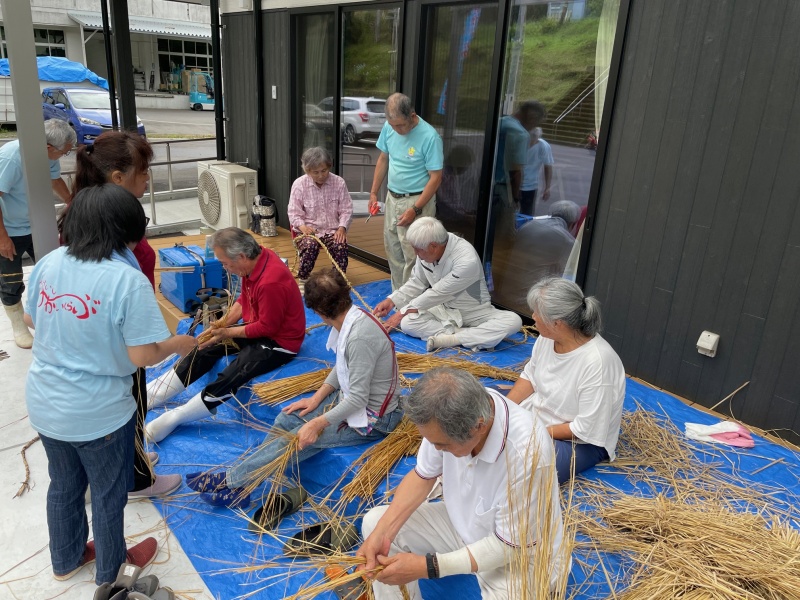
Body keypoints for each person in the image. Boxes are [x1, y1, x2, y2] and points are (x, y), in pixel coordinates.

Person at [23, 184, 197, 584]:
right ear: (126, 231)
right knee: (107, 493)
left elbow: (32, 318)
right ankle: (113, 572)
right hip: (97, 412)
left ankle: (66, 559)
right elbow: (143, 356)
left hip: (46, 403)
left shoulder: (50, 262)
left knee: (63, 485)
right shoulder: (126, 279)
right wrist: (178, 344)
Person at [185, 268, 403, 507]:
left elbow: (358, 400)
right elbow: (343, 365)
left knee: (294, 439)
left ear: (319, 312)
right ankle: (243, 484)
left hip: (374, 418)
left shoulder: (359, 336)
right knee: (286, 419)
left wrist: (317, 423)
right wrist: (316, 399)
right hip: (350, 399)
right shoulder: (350, 318)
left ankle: (232, 481)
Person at [357, 368, 567, 599]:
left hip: (519, 556)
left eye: (442, 445)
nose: (436, 449)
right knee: (375, 522)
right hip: (464, 525)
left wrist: (429, 567)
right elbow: (422, 476)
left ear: (479, 426)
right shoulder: (449, 415)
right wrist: (382, 533)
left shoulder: (528, 451)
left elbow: (510, 547)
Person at [71, 130, 178, 498]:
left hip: (114, 331)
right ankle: (135, 480)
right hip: (116, 337)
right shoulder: (107, 225)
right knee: (128, 404)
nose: (148, 178)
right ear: (118, 177)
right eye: (143, 171)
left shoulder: (93, 213)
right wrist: (173, 343)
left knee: (131, 403)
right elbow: (144, 353)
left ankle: (132, 461)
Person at [145, 227, 306, 442]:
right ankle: (153, 394)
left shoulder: (271, 281)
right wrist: (222, 325)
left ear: (242, 256)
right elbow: (243, 300)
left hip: (278, 342)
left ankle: (177, 416)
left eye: (225, 263)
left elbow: (267, 328)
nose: (224, 268)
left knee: (238, 369)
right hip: (256, 327)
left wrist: (227, 332)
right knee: (205, 347)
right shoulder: (254, 261)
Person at [505, 277, 625, 484]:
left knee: (521, 471)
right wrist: (505, 408)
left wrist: (531, 432)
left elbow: (585, 429)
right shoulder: (548, 338)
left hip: (579, 441)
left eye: (537, 313)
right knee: (481, 405)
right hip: (538, 417)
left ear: (557, 323)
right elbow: (530, 376)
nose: (533, 316)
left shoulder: (597, 362)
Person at [373, 217, 522, 352]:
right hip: (443, 310)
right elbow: (417, 281)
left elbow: (437, 293)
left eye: (417, 249)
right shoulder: (426, 247)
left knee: (514, 321)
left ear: (433, 246)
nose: (415, 253)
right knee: (408, 323)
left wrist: (401, 313)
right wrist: (392, 301)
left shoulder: (466, 260)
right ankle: (470, 336)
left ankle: (449, 339)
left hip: (475, 312)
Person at [0, 118, 74, 348]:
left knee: (53, 272)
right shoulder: (12, 158)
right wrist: (2, 238)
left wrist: (72, 202)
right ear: (48, 147)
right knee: (11, 280)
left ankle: (51, 318)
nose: (63, 156)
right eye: (64, 152)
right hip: (9, 229)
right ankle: (19, 325)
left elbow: (54, 180)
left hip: (38, 224)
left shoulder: (47, 157)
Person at [368, 93, 443, 291]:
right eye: (392, 125)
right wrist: (374, 192)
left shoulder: (430, 137)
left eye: (400, 125)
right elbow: (383, 158)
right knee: (393, 249)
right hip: (393, 197)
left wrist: (415, 209)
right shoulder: (389, 127)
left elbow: (436, 178)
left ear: (412, 115)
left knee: (415, 255)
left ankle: (413, 302)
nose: (396, 130)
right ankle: (399, 296)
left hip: (418, 199)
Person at [288, 147, 352, 290]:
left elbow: (346, 209)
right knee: (310, 245)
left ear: (329, 166)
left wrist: (342, 227)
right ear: (307, 171)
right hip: (309, 230)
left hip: (332, 230)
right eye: (315, 172)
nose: (321, 175)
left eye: (324, 170)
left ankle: (338, 280)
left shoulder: (339, 182)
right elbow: (293, 213)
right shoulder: (299, 184)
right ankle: (304, 278)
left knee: (340, 244)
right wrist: (303, 227)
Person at [519, 127, 554, 217]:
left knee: (526, 213)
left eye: (534, 141)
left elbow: (548, 167)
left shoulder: (544, 146)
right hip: (513, 182)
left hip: (530, 185)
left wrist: (547, 187)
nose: (530, 143)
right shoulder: (519, 143)